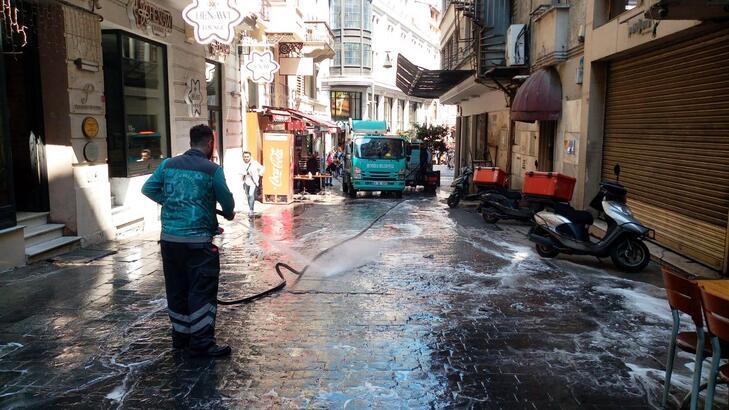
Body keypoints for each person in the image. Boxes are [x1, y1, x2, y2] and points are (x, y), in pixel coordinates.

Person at [141, 124, 235, 358]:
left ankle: (181, 339)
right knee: (201, 290)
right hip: (198, 242)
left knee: (177, 289)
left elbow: (148, 188)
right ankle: (202, 342)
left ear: (191, 141)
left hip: (170, 241)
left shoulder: (168, 164)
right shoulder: (212, 170)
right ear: (210, 143)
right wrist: (229, 212)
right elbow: (228, 203)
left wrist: (173, 201)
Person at [242, 151, 264, 217]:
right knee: (248, 196)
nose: (246, 158)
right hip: (245, 182)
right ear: (243, 157)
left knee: (251, 195)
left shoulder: (254, 163)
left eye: (247, 157)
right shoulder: (241, 164)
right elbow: (238, 172)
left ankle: (251, 210)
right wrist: (244, 173)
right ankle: (250, 208)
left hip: (253, 182)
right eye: (245, 157)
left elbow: (262, 168)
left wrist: (259, 174)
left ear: (250, 157)